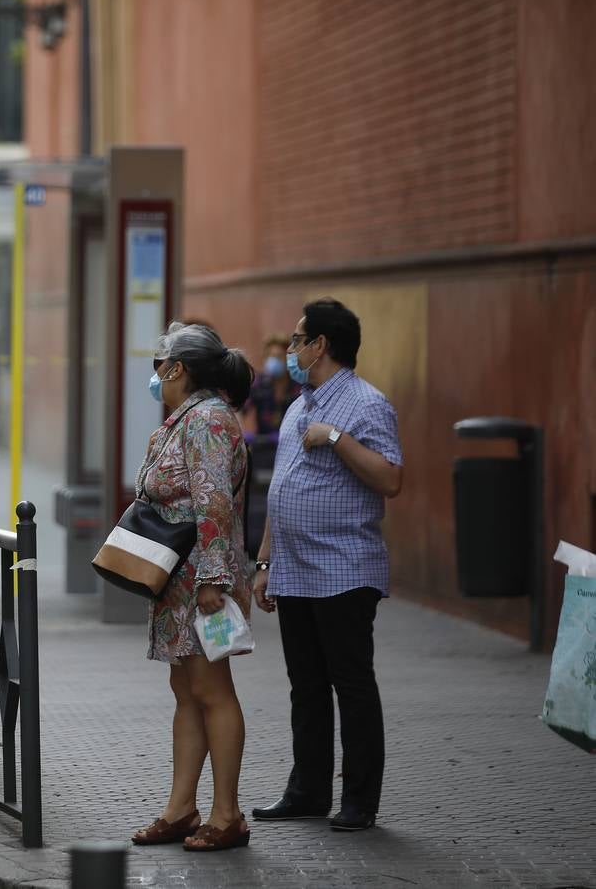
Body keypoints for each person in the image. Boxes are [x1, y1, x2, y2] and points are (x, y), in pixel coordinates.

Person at [251, 298, 402, 833]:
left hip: (343, 569)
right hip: (293, 569)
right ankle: (307, 792)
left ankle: (360, 800)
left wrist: (337, 440)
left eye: (297, 340)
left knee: (351, 684)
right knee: (306, 685)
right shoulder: (300, 403)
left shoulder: (366, 405)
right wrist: (264, 561)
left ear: (320, 346)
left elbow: (389, 479)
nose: (290, 349)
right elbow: (283, 490)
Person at [128, 322, 254, 853]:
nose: (155, 374)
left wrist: (213, 580)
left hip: (201, 580)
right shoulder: (189, 419)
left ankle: (228, 815)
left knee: (212, 691)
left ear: (177, 369)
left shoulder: (206, 421)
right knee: (187, 692)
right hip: (178, 582)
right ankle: (181, 809)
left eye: (161, 364)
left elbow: (214, 503)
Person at [244, 332, 302, 440]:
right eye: (270, 356)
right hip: (264, 446)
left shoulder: (298, 387)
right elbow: (241, 409)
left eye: (279, 356)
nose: (273, 361)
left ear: (288, 358)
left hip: (292, 443)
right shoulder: (258, 384)